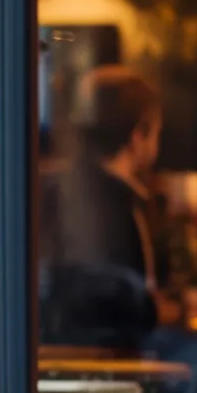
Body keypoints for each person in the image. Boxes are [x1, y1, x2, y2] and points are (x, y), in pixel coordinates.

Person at [48, 65, 164, 352]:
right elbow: (133, 310)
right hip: (110, 364)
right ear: (139, 134)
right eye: (157, 132)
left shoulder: (63, 190)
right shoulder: (122, 203)